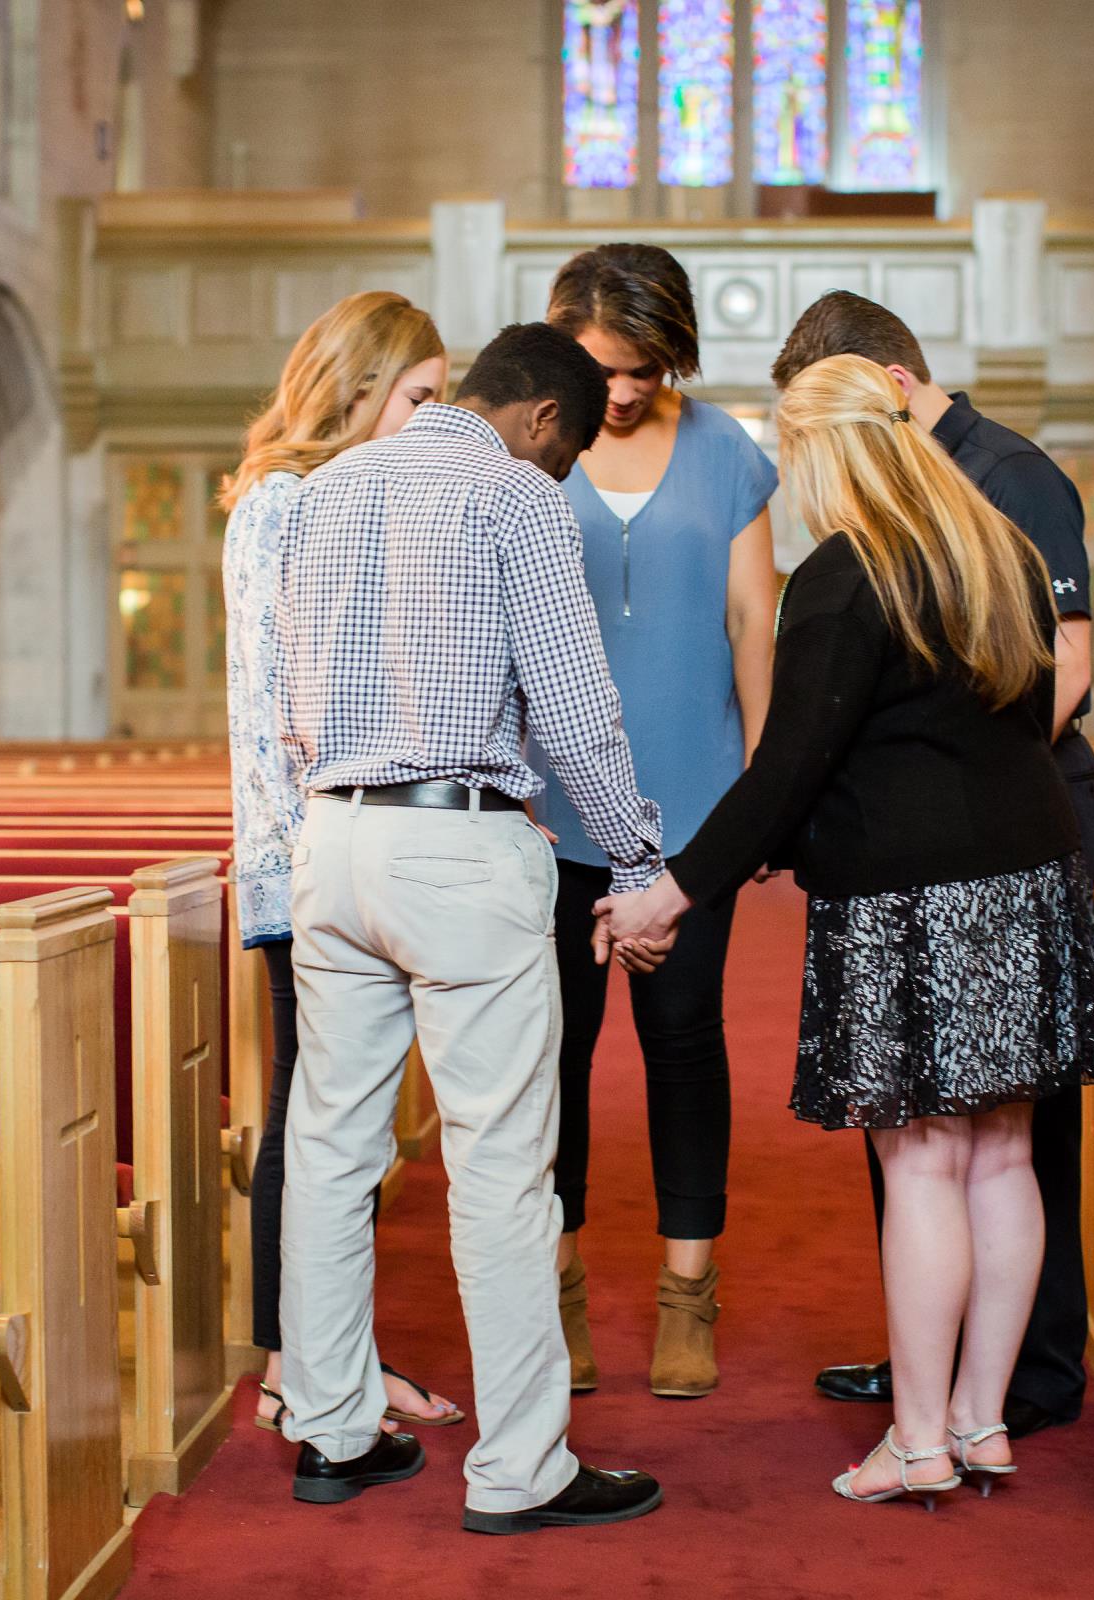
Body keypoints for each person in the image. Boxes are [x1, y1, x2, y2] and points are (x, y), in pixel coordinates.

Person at [593, 354, 1094, 1506]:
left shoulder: (844, 575)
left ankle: (920, 1438)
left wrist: (671, 890)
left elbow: (787, 768)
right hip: (1027, 881)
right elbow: (1031, 713)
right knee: (1003, 1154)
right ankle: (982, 1421)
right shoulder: (993, 548)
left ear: (822, 452)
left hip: (914, 897)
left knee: (925, 1157)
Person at [272, 321, 668, 1534]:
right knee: (501, 1164)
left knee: (334, 1150)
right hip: (460, 841)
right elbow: (575, 708)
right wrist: (639, 860)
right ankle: (520, 1467)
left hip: (331, 839)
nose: (565, 471)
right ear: (544, 418)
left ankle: (333, 1429)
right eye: (571, 447)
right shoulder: (515, 499)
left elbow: (289, 694)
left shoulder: (324, 491)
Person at [768, 291, 1094, 1441]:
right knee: (975, 1149)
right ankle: (967, 1393)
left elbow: (1059, 675)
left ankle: (999, 1387)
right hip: (1005, 853)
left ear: (888, 395)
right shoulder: (941, 510)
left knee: (959, 1148)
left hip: (969, 850)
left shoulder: (1007, 481)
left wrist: (938, 789)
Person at [220, 289, 465, 1438]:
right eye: (418, 395)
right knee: (315, 1121)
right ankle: (294, 1370)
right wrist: (323, 843)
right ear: (362, 386)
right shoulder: (285, 501)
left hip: (332, 846)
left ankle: (334, 1360)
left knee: (338, 1124)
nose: (430, 418)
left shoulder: (339, 495)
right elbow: (279, 703)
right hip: (302, 852)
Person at [538, 243, 781, 1399]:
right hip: (549, 815)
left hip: (692, 810)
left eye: (640, 368)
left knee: (685, 1047)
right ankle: (561, 1288)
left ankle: (690, 1293)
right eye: (600, 369)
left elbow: (750, 618)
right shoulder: (529, 447)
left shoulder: (728, 450)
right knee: (558, 1059)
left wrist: (763, 785)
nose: (620, 392)